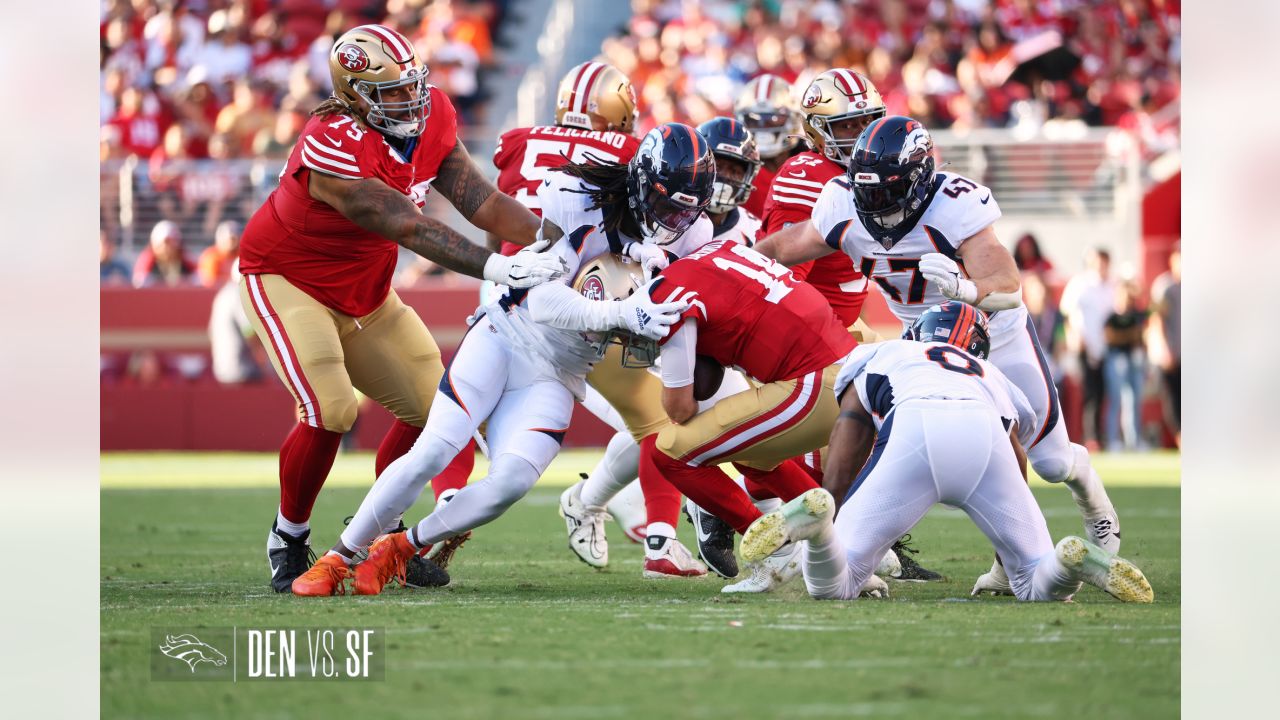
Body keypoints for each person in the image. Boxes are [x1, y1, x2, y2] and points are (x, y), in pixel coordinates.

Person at [290, 122, 715, 596]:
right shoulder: (579, 195)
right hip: (506, 334)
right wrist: (625, 310)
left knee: (510, 481)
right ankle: (337, 557)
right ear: (640, 183)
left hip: (561, 372)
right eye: (663, 205)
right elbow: (547, 302)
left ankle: (401, 548)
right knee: (434, 448)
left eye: (685, 212)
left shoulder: (694, 233)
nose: (672, 222)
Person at [236, 24, 564, 593]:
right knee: (332, 410)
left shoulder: (431, 114)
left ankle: (382, 536)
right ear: (354, 94)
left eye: (412, 87)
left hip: (369, 292)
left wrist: (559, 242)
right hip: (290, 281)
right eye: (390, 93)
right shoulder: (330, 136)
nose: (409, 102)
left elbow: (481, 201)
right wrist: (494, 266)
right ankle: (288, 536)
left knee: (436, 415)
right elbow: (404, 222)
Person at [753, 116, 1121, 596]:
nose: (878, 205)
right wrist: (728, 263)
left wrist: (967, 288)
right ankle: (842, 526)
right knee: (861, 407)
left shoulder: (955, 205)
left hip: (991, 329)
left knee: (1050, 460)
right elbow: (788, 245)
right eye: (870, 192)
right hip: (918, 336)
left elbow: (1008, 285)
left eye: (889, 191)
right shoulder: (842, 202)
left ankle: (1096, 513)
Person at [740, 303, 1153, 605]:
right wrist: (1010, 554)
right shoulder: (991, 374)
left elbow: (852, 428)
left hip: (914, 430)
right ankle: (1067, 562)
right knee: (1032, 581)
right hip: (985, 435)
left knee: (835, 584)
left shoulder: (886, 352)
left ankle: (816, 529)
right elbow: (1015, 455)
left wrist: (833, 505)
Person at [636, 238, 860, 592]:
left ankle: (776, 553)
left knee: (669, 451)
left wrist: (681, 366)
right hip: (850, 372)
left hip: (813, 386)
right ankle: (848, 545)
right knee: (751, 455)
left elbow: (679, 409)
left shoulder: (669, 295)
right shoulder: (719, 250)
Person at [1060, 247, 1117, 449]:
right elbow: (1065, 313)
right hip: (1083, 346)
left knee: (1103, 392)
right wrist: (1073, 336)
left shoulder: (1112, 286)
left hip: (1106, 347)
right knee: (1089, 391)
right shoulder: (1079, 284)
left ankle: (1099, 435)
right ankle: (1090, 437)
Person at [733, 74, 802, 219]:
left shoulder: (810, 163)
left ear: (794, 119)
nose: (763, 126)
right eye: (753, 119)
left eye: (774, 119)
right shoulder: (733, 169)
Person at [695, 116, 764, 246]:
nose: (725, 176)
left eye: (734, 171)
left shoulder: (754, 233)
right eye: (718, 167)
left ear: (749, 176)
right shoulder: (670, 217)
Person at [1103, 281, 1149, 451]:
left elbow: (1141, 335)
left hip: (1134, 359)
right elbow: (1111, 337)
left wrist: (1129, 337)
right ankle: (1113, 439)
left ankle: (1134, 440)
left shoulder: (1136, 316)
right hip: (1116, 359)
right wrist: (1129, 336)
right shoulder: (1111, 317)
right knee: (1116, 400)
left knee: (1135, 401)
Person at [1147, 244, 1180, 447]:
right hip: (1172, 355)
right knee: (1175, 400)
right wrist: (1164, 349)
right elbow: (1156, 319)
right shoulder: (1165, 286)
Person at [132, 220, 197, 288]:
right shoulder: (148, 258)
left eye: (173, 241)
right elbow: (139, 281)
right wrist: (160, 283)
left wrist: (186, 281)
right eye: (166, 242)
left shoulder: (185, 257)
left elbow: (201, 277)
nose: (169, 247)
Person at [197, 220, 240, 288]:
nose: (231, 242)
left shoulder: (241, 254)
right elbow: (209, 282)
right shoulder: (211, 256)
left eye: (233, 239)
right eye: (229, 239)